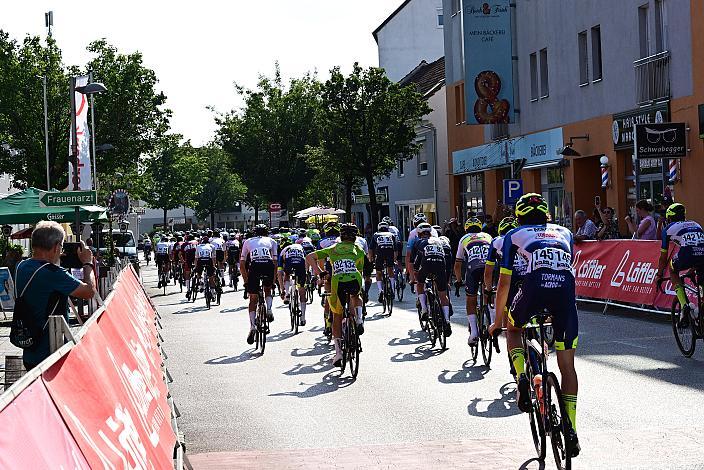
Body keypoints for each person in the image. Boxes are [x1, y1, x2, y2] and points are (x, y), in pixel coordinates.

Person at [488, 193, 580, 457]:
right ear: (546, 214)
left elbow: (504, 284)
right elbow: (563, 266)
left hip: (534, 289)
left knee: (514, 329)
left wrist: (497, 323)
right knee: (568, 368)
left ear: (518, 217)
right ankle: (570, 428)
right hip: (564, 294)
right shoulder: (565, 232)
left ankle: (521, 378)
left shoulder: (513, 235)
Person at [15, 221, 97, 370]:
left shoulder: (21, 266)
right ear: (55, 246)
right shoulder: (53, 274)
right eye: (62, 246)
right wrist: (88, 263)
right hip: (51, 353)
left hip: (30, 350)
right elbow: (89, 291)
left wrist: (55, 260)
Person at [306, 223, 366, 366]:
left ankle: (338, 353)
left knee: (337, 316)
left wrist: (319, 271)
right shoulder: (359, 249)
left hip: (337, 283)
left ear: (341, 236)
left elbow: (309, 257)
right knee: (356, 297)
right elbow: (360, 269)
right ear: (355, 237)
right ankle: (358, 320)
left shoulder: (333, 248)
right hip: (354, 280)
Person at [656, 203, 704, 327]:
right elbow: (698, 247)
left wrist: (659, 274)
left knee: (673, 270)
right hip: (702, 254)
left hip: (687, 253)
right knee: (701, 280)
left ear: (669, 218)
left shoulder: (667, 229)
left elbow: (663, 257)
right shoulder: (695, 224)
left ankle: (684, 305)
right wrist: (692, 269)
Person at [453, 217, 493, 346]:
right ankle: (491, 323)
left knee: (471, 299)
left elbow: (458, 264)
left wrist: (459, 280)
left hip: (473, 268)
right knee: (489, 294)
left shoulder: (464, 239)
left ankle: (474, 333)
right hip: (490, 267)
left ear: (466, 229)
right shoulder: (487, 236)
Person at [410, 223, 452, 336]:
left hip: (427, 264)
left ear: (419, 233)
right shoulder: (439, 241)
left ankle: (424, 309)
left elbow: (416, 259)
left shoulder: (419, 242)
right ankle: (447, 320)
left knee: (419, 284)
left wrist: (414, 273)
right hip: (441, 265)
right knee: (443, 295)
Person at [240, 224, 278, 344]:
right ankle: (269, 309)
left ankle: (252, 326)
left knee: (253, 299)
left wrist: (246, 282)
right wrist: (273, 281)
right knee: (268, 289)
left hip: (255, 266)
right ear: (266, 233)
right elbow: (275, 262)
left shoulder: (248, 241)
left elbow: (242, 264)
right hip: (268, 264)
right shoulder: (272, 241)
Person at [277, 238, 308, 325]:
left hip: (289, 263)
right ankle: (303, 318)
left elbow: (279, 272)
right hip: (300, 263)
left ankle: (287, 293)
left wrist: (282, 289)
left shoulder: (284, 250)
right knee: (302, 292)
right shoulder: (300, 247)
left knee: (286, 274)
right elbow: (306, 260)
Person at [369, 221, 398, 303]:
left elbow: (371, 249)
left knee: (378, 273)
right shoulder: (391, 235)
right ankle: (392, 289)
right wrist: (394, 259)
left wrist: (371, 259)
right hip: (389, 253)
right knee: (390, 270)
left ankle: (380, 290)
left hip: (380, 253)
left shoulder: (375, 235)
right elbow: (395, 249)